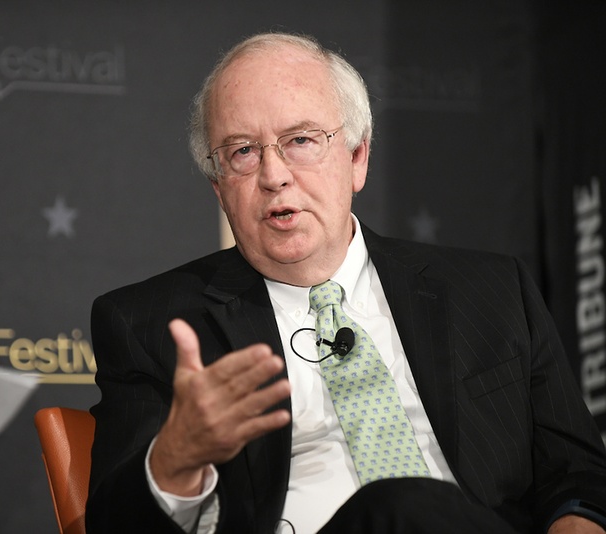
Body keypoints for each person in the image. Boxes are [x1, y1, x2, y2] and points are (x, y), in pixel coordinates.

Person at [86, 31, 606, 533]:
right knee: (399, 504)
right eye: (242, 152)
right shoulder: (149, 325)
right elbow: (115, 526)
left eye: (301, 140)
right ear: (218, 187)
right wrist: (177, 457)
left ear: (357, 157)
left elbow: (580, 474)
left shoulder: (491, 291)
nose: (274, 175)